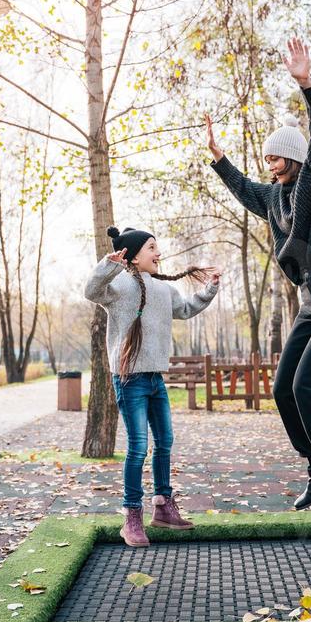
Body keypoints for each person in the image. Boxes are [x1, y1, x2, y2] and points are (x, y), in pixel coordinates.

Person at [204, 36, 311, 521]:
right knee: (282, 389)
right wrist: (219, 158)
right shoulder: (274, 199)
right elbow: (242, 188)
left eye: (276, 157)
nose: (268, 163)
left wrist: (308, 85)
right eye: (266, 158)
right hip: (310, 299)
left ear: (295, 158)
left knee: (309, 387)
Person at [84, 225, 221, 546]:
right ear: (133, 255)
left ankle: (163, 506)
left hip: (156, 378)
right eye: (151, 248)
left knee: (165, 442)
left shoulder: (162, 289)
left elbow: (186, 309)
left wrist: (210, 289)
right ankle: (132, 516)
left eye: (157, 248)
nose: (158, 254)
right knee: (138, 447)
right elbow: (91, 291)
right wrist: (109, 264)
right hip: (129, 379)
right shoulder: (117, 285)